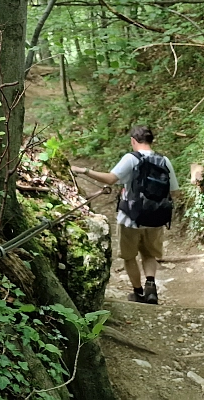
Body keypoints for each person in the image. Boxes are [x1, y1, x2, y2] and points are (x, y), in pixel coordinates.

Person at [70, 126, 179, 305]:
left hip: (131, 218)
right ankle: (151, 286)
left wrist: (84, 171)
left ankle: (138, 292)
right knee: (149, 254)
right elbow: (174, 191)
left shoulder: (131, 158)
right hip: (156, 218)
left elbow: (110, 179)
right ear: (151, 141)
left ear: (133, 141)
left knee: (129, 256)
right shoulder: (164, 160)